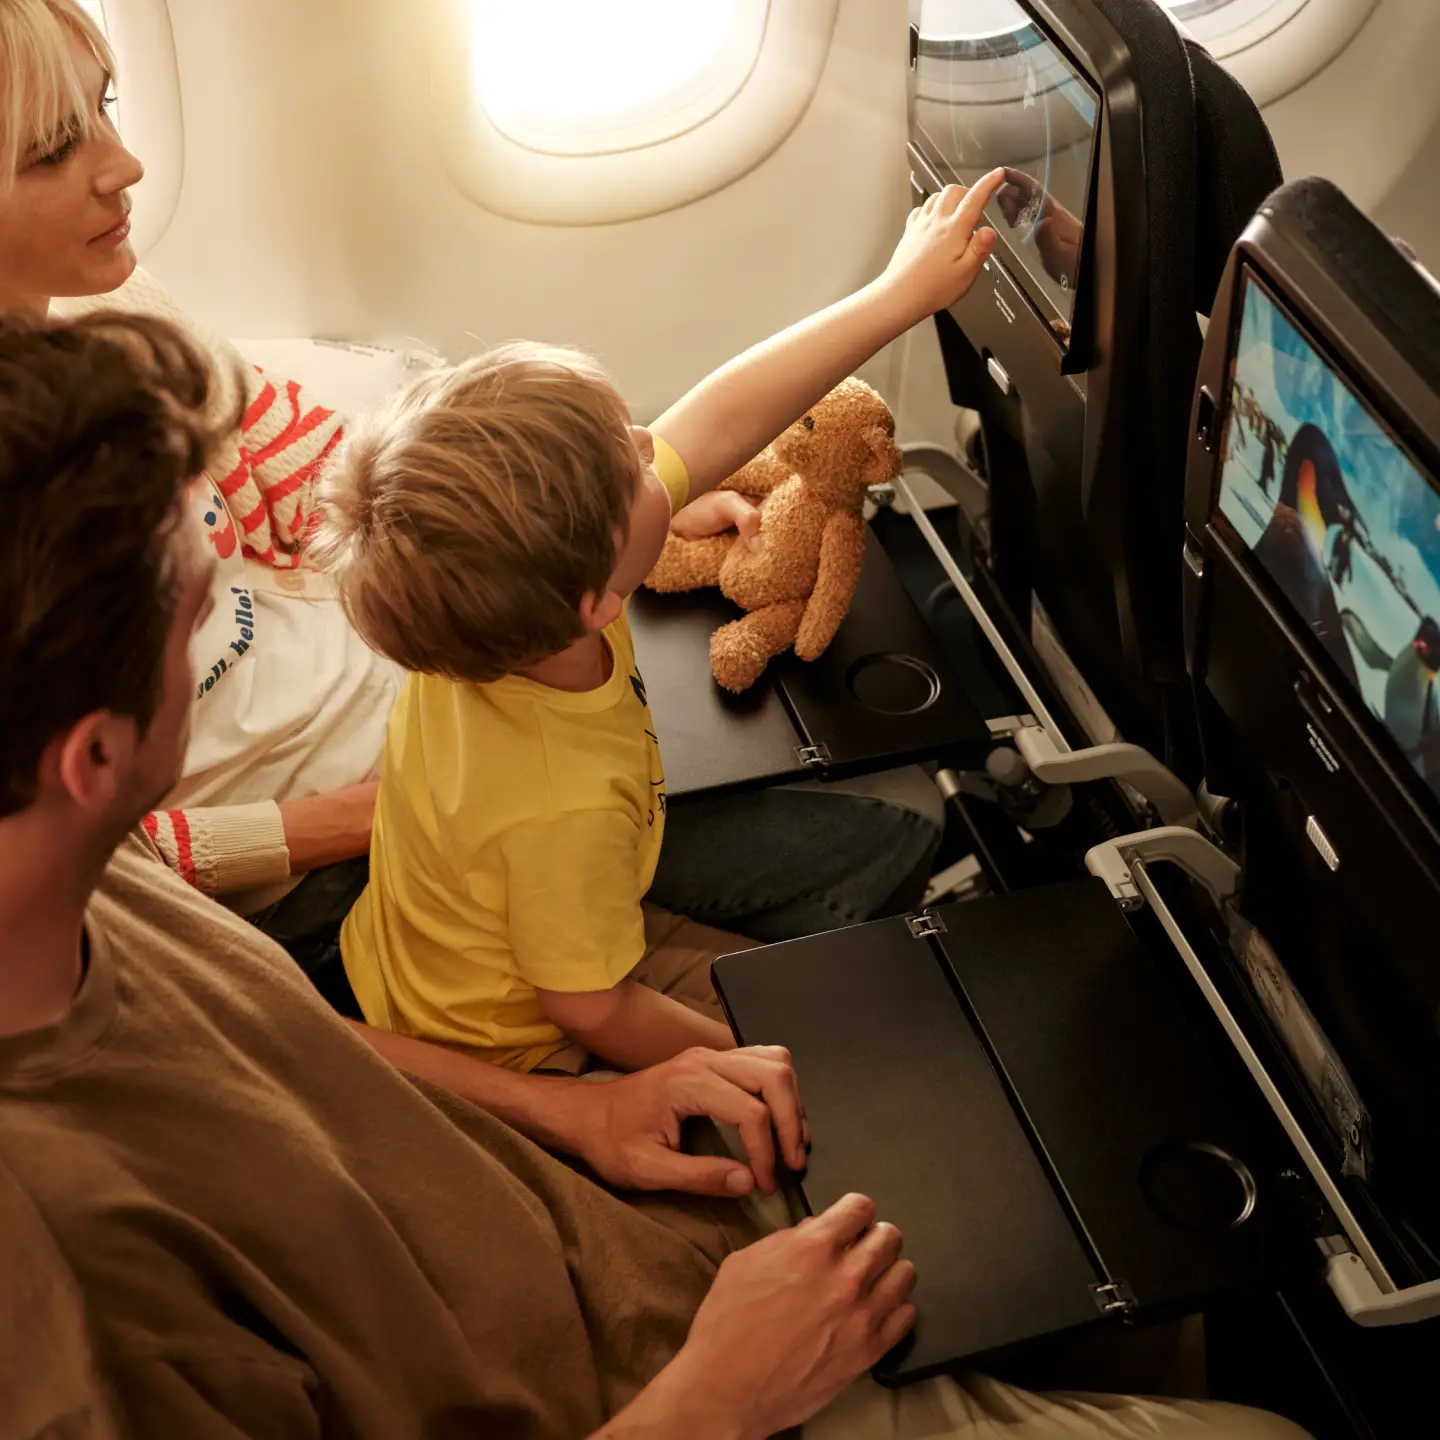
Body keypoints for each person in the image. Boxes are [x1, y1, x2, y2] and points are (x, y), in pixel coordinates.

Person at [0, 306, 1316, 1440]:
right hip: (651, 1384)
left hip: (580, 1205)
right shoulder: (58, 1287)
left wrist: (572, 1117)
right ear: (99, 751)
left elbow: (314, 1049)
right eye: (196, 617)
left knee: (1121, 1255)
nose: (224, 622)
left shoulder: (104, 890)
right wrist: (715, 1396)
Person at [2, 0, 945, 969]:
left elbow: (310, 469)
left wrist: (581, 520)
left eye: (109, 106)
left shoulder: (117, 303)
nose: (124, 165)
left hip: (430, 663)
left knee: (832, 747)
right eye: (53, 151)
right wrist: (365, 817)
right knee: (874, 838)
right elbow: (106, 874)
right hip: (355, 833)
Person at [304, 181, 1006, 1074]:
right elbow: (588, 1006)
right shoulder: (559, 803)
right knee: (825, 1052)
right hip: (510, 1035)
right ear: (598, 599)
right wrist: (744, 1059)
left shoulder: (482, 624)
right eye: (632, 472)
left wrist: (899, 293)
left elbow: (718, 418)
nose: (648, 442)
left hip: (434, 944)